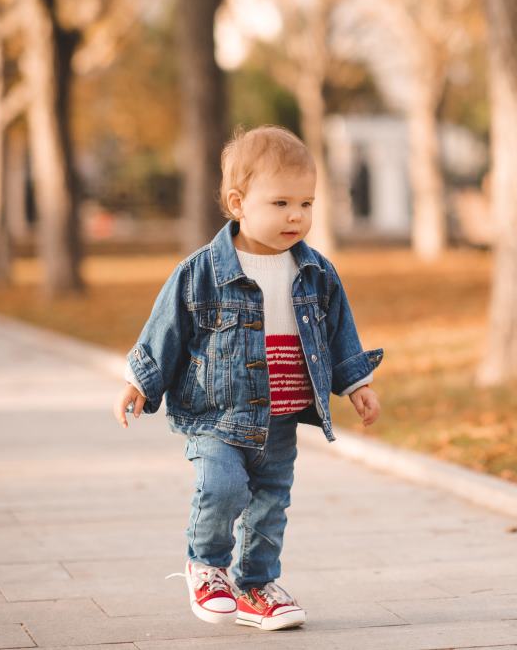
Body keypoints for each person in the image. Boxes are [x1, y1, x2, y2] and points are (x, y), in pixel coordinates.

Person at [112, 125, 384, 631]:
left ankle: (256, 585)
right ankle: (207, 566)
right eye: (280, 202)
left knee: (270, 505)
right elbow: (166, 327)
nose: (296, 216)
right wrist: (141, 381)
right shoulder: (201, 272)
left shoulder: (318, 273)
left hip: (280, 419)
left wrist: (356, 384)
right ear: (238, 203)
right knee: (224, 484)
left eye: (306, 203)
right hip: (216, 415)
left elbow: (339, 330)